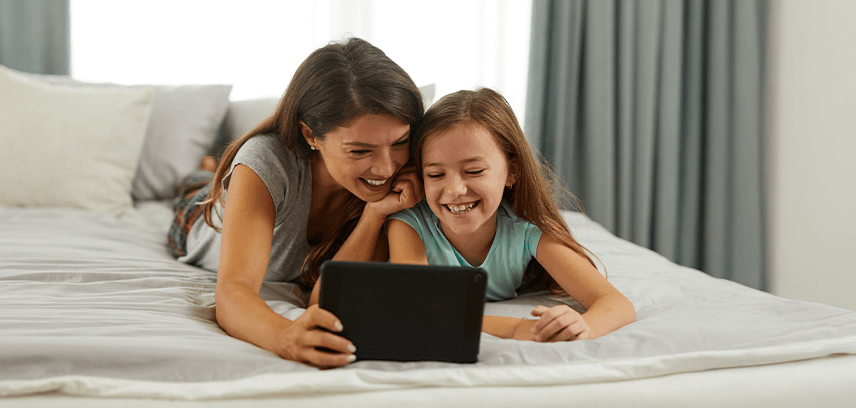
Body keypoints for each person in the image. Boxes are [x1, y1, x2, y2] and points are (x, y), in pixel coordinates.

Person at [167, 38, 424, 368]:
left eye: (400, 142)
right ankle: (204, 171)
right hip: (198, 220)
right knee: (196, 187)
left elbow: (339, 292)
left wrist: (374, 215)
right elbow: (233, 292)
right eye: (360, 150)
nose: (387, 168)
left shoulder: (406, 175)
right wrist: (284, 337)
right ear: (310, 135)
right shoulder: (266, 161)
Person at [383, 88, 636, 342]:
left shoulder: (525, 231)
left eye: (474, 171)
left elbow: (616, 303)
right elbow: (420, 310)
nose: (455, 190)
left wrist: (583, 325)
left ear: (511, 171)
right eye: (436, 175)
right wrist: (517, 328)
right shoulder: (407, 224)